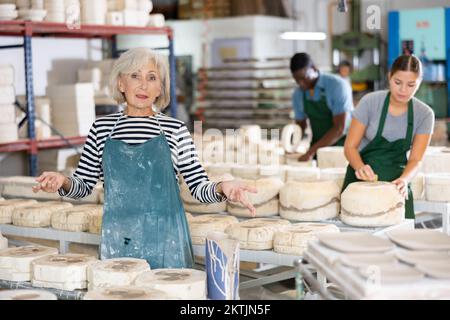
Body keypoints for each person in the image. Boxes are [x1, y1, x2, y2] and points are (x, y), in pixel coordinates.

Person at [32, 48, 257, 269]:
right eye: (134, 76)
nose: (143, 85)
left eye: (151, 77)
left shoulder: (175, 130)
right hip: (119, 237)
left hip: (167, 241)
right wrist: (63, 182)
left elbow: (198, 187)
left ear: (160, 88)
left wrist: (222, 187)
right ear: (121, 83)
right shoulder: (101, 128)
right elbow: (83, 187)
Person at [342, 55, 435, 219]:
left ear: (419, 82)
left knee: (399, 238)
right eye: (398, 82)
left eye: (411, 84)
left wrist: (405, 180)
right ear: (389, 76)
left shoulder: (425, 114)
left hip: (396, 185)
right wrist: (359, 167)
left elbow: (416, 160)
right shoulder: (370, 102)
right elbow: (350, 147)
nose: (403, 90)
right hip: (361, 182)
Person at [290, 53, 354, 161]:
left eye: (304, 78)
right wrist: (291, 145)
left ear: (314, 68)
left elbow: (339, 128)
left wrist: (311, 151)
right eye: (297, 80)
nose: (301, 84)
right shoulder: (298, 94)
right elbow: (300, 125)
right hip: (318, 147)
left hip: (342, 147)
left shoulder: (337, 86)